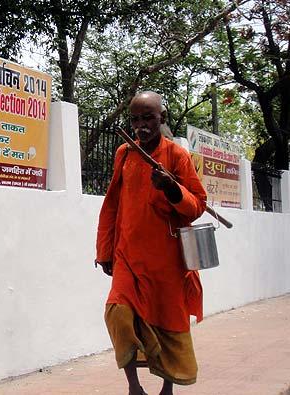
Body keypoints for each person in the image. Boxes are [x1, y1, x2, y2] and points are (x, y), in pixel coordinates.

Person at [95, 91, 207, 395]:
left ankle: (167, 389)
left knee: (168, 322)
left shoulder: (176, 156)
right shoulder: (124, 153)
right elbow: (112, 204)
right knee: (118, 315)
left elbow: (197, 205)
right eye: (135, 119)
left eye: (148, 118)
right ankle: (134, 387)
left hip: (166, 260)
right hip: (127, 256)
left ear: (162, 118)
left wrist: (172, 188)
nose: (141, 125)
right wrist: (105, 251)